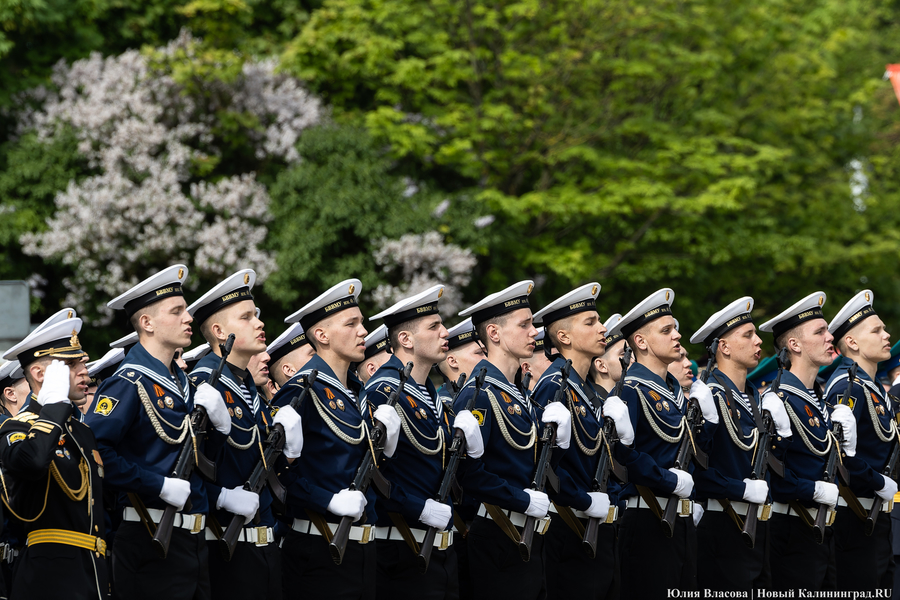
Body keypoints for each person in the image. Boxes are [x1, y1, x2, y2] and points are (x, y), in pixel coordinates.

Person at [85, 264, 232, 600]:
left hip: (193, 542)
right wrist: (158, 485)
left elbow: (203, 462)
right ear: (147, 323)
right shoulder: (127, 383)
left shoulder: (182, 385)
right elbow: (94, 453)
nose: (189, 318)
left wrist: (220, 429)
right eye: (177, 311)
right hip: (149, 536)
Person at [273, 279, 400, 600]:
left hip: (361, 548)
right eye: (351, 323)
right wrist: (326, 501)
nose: (363, 332)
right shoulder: (302, 390)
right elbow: (276, 474)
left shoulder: (356, 393)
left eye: (362, 323)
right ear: (322, 335)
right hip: (321, 546)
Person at [451, 281, 571, 600]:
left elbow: (532, 466)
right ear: (494, 333)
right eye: (524, 324)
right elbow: (468, 475)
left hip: (529, 532)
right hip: (498, 533)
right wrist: (522, 500)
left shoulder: (518, 394)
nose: (535, 331)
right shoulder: (479, 394)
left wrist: (558, 445)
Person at [188, 269, 302, 600]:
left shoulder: (246, 388)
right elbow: (182, 467)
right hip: (225, 549)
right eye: (247, 317)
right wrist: (219, 496)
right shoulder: (205, 385)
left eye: (257, 316)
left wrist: (289, 456)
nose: (259, 323)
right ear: (220, 331)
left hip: (264, 550)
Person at [606, 288, 716, 597]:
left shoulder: (674, 392)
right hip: (647, 518)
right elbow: (625, 454)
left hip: (680, 519)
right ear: (640, 342)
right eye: (666, 330)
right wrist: (668, 480)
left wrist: (710, 422)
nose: (677, 336)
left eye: (675, 328)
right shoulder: (631, 389)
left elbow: (696, 451)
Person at [0, 315, 107, 598]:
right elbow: (32, 462)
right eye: (72, 365)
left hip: (92, 573)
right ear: (39, 374)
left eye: (82, 362)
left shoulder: (82, 431)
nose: (85, 372)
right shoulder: (15, 427)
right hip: (49, 578)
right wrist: (53, 408)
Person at [689, 297, 791, 591]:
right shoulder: (711, 396)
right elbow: (697, 467)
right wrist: (741, 489)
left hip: (759, 525)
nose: (758, 341)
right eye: (747, 335)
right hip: (724, 524)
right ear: (724, 347)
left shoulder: (754, 398)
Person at [364, 285, 457, 600]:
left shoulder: (426, 390)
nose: (445, 333)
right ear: (405, 340)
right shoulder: (383, 391)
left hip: (437, 547)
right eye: (434, 327)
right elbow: (371, 472)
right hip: (401, 548)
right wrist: (419, 508)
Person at [758, 291, 854, 591]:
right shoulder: (780, 400)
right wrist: (813, 489)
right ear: (794, 345)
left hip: (824, 530)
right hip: (792, 530)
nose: (830, 338)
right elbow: (772, 475)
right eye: (820, 332)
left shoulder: (819, 402)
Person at [531, 282, 620, 600]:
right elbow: (542, 467)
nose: (603, 328)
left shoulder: (583, 387)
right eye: (591, 322)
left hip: (595, 530)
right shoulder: (553, 386)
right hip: (569, 530)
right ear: (564, 337)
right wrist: (582, 500)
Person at [824, 290, 898, 591]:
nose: (886, 334)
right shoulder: (847, 387)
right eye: (876, 330)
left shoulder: (872, 387)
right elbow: (838, 457)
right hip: (854, 517)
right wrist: (878, 482)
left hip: (876, 517)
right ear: (852, 343)